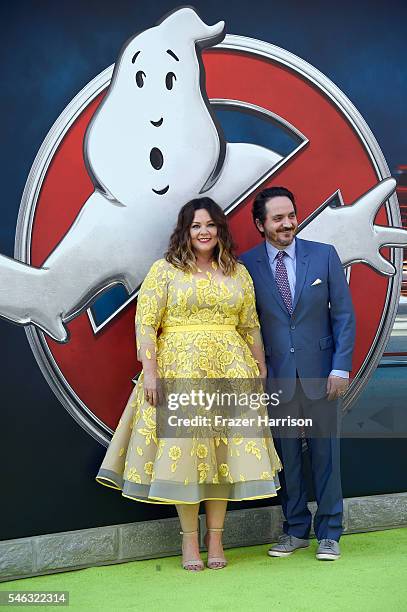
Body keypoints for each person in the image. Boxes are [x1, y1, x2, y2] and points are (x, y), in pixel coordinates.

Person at [96, 197, 281, 571]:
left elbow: (250, 326)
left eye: (210, 225)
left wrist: (260, 368)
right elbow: (146, 324)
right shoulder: (164, 271)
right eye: (196, 225)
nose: (204, 232)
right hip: (179, 372)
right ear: (185, 230)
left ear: (220, 229)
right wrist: (150, 372)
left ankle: (216, 540)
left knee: (221, 457)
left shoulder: (237, 272)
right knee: (185, 458)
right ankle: (189, 542)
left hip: (231, 373)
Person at [240, 186, 355, 561]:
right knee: (287, 457)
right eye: (277, 218)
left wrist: (340, 366)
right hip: (277, 378)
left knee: (326, 455)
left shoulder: (323, 256)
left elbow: (343, 316)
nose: (287, 223)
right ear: (261, 224)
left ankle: (330, 533)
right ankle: (294, 532)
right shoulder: (247, 265)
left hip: (323, 375)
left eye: (290, 215)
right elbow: (246, 323)